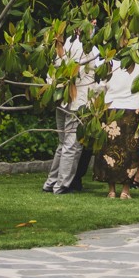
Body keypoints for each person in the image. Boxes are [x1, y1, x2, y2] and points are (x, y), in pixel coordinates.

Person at [43, 33, 99, 194]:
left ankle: (51, 182)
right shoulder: (88, 49)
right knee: (71, 145)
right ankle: (61, 185)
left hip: (61, 99)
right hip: (78, 102)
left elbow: (52, 75)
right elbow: (93, 77)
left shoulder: (63, 46)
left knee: (63, 144)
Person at [95, 53, 139, 200]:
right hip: (133, 108)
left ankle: (111, 190)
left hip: (111, 107)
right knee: (130, 151)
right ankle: (125, 190)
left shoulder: (109, 61)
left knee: (109, 150)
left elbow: (100, 86)